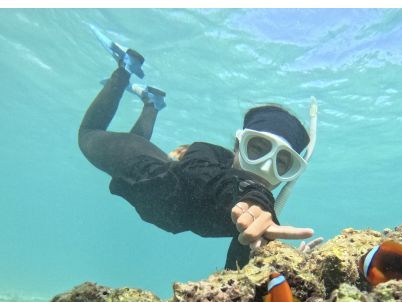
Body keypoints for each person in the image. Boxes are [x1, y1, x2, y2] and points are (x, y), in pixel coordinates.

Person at [79, 27, 318, 270]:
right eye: (257, 148)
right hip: (144, 171)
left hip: (161, 186)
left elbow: (237, 277)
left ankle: (152, 103)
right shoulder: (217, 168)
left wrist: (289, 264)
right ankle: (124, 69)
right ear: (237, 146)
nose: (266, 166)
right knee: (88, 135)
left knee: (135, 140)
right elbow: (204, 177)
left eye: (282, 162)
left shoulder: (259, 221)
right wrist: (256, 194)